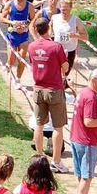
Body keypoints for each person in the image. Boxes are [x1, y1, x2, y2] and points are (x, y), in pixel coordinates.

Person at [28, 17, 69, 173]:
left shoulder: (31, 46)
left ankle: (39, 158)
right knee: (58, 126)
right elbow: (65, 67)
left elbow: (33, 62)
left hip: (38, 88)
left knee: (39, 124)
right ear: (49, 29)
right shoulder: (56, 47)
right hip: (54, 90)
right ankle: (56, 161)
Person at [50, 0, 88, 90]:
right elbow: (49, 30)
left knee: (65, 72)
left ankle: (62, 88)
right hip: (56, 50)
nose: (64, 11)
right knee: (56, 73)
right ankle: (58, 91)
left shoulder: (76, 20)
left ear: (71, 8)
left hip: (70, 51)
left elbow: (86, 37)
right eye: (63, 9)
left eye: (67, 9)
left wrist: (75, 35)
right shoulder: (54, 18)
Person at [0, 0, 34, 86]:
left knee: (21, 59)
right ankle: (8, 65)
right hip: (12, 35)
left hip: (23, 36)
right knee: (11, 59)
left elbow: (33, 20)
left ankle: (18, 80)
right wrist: (13, 23)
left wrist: (25, 25)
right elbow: (2, 18)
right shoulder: (10, 5)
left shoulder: (29, 6)